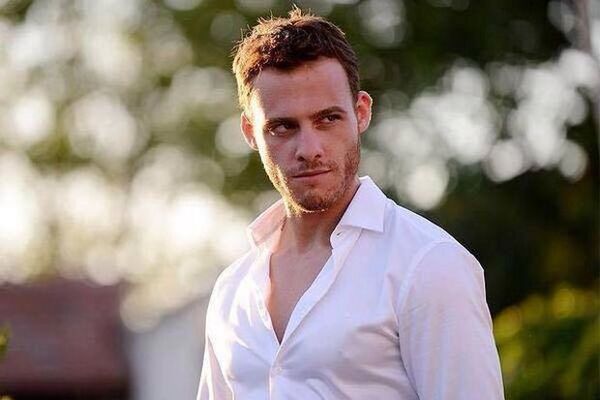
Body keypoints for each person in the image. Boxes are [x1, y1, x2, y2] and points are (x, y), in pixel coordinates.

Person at [197, 8, 504, 400]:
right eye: (283, 127)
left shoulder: (429, 265)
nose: (309, 149)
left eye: (328, 119)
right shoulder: (232, 289)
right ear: (250, 132)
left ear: (361, 113)